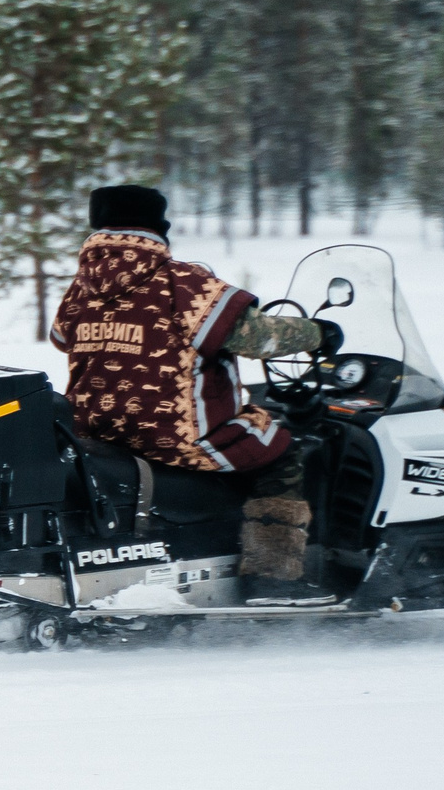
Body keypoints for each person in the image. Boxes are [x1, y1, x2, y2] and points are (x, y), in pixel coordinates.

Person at [48, 184, 340, 588]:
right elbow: (258, 338)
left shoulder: (81, 286)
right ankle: (272, 576)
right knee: (280, 450)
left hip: (99, 429)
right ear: (158, 227)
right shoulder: (183, 283)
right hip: (176, 436)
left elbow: (61, 337)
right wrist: (317, 334)